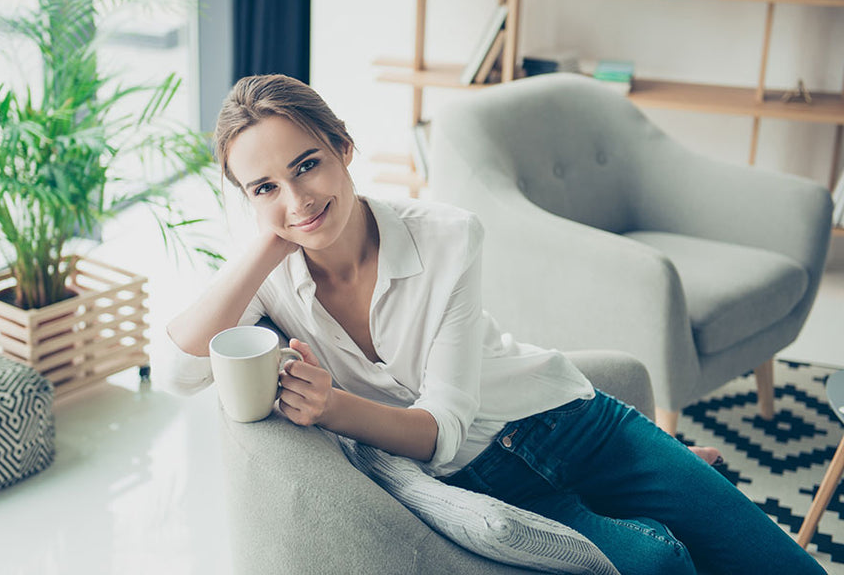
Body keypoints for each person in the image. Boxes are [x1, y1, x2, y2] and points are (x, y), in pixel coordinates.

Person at [165, 74, 825, 575]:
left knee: (781, 564)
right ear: (245, 198)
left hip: (576, 423)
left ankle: (668, 476)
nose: (299, 199)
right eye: (265, 187)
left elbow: (443, 426)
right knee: (657, 563)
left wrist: (333, 406)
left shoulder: (447, 235)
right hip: (487, 480)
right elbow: (177, 371)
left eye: (307, 165)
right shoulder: (269, 273)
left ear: (344, 147)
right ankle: (661, 501)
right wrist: (264, 245)